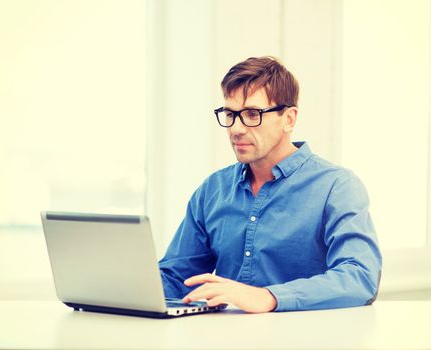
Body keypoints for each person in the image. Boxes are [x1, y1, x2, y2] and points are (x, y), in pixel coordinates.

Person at [159, 56, 382, 313]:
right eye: (230, 114)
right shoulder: (213, 189)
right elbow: (177, 276)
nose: (236, 129)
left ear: (289, 118)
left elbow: (359, 277)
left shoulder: (337, 187)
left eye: (252, 114)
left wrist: (269, 297)